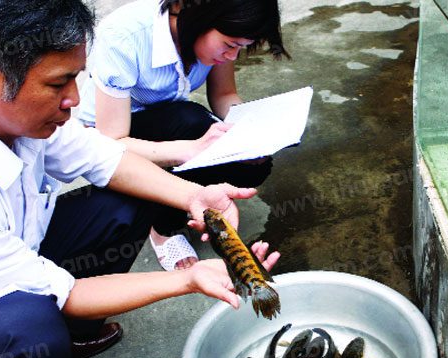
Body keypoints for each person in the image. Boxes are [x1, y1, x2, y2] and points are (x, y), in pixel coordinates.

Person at [0, 1, 279, 358]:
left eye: (76, 78)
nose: (74, 99)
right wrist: (189, 279)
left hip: (23, 249)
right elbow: (66, 292)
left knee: (128, 199)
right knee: (28, 334)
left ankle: (74, 333)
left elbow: (102, 158)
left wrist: (192, 196)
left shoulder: (29, 123)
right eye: (59, 84)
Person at [77, 0, 290, 272]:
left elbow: (224, 95)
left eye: (241, 47)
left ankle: (183, 194)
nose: (233, 56)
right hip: (115, 135)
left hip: (171, 120)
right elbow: (112, 142)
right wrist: (188, 149)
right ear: (198, 18)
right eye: (229, 45)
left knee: (251, 166)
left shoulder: (219, 34)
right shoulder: (124, 37)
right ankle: (163, 228)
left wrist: (249, 135)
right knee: (190, 121)